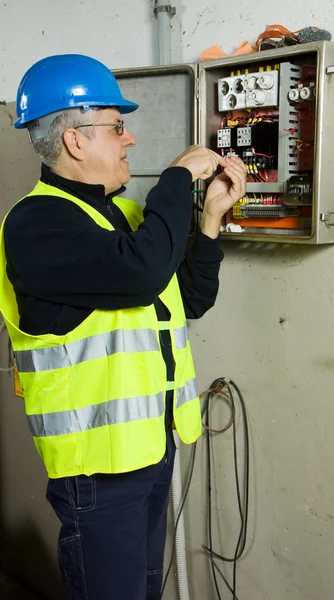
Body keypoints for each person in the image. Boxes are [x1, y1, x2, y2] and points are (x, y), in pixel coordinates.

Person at [0, 54, 246, 599]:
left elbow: (191, 298)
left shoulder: (121, 218)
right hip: (98, 473)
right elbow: (141, 273)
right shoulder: (37, 223)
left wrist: (208, 222)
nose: (129, 139)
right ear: (75, 140)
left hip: (148, 452)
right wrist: (179, 174)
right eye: (117, 126)